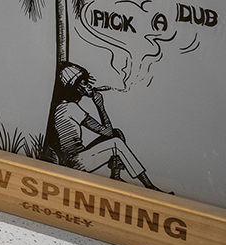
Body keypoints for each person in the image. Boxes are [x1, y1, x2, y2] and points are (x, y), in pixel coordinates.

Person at [47, 62, 167, 192]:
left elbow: (110, 132)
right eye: (83, 83)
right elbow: (107, 132)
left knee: (117, 134)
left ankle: (115, 177)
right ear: (74, 87)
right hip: (74, 161)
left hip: (75, 156)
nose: (89, 86)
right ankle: (149, 187)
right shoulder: (71, 107)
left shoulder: (64, 106)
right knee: (115, 142)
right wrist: (100, 106)